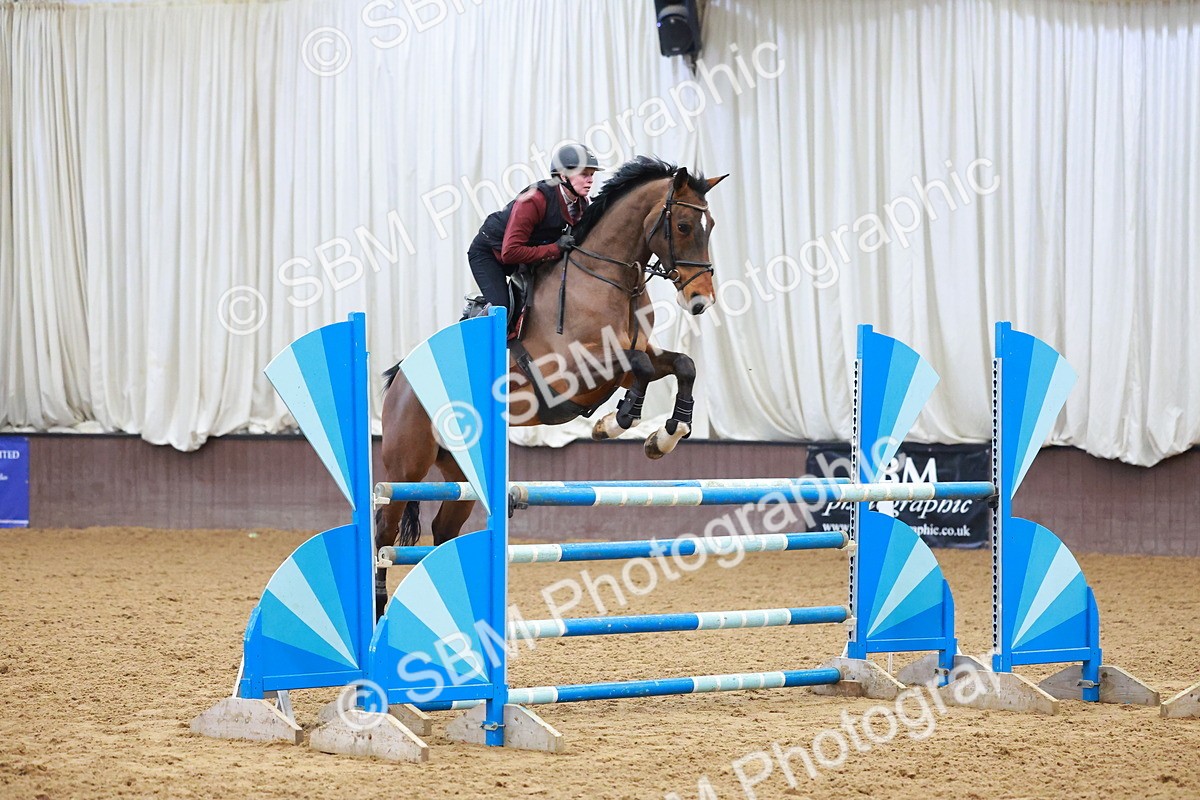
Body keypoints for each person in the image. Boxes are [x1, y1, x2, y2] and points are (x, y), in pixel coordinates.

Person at [466, 143, 601, 317]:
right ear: (563, 176)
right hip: (490, 254)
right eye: (583, 174)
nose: (590, 180)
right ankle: (477, 322)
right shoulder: (535, 199)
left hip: (526, 253)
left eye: (591, 174)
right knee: (502, 311)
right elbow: (510, 253)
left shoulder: (581, 204)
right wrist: (555, 248)